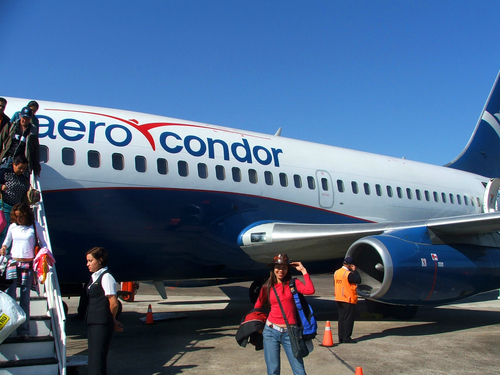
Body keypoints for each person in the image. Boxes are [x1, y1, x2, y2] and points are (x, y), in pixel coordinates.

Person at [254, 253, 315, 375]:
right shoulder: (267, 287)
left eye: (284, 267)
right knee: (273, 370)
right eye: (278, 267)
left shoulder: (293, 283)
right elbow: (257, 307)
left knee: (299, 371)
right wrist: (259, 327)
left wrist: (304, 271)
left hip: (291, 333)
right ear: (273, 269)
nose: (280, 270)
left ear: (288, 269)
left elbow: (310, 290)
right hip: (271, 331)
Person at [0, 202, 47, 338]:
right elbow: (6, 242)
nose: (19, 219)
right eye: (16, 216)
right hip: (13, 263)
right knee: (10, 297)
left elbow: (43, 242)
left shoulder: (34, 226)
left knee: (25, 299)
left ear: (26, 215)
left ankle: (23, 330)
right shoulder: (13, 227)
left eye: (21, 216)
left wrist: (44, 254)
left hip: (28, 264)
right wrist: (3, 248)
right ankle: (8, 327)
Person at [85, 247, 123, 375]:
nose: (88, 264)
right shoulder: (94, 277)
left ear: (100, 260)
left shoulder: (106, 277)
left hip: (101, 323)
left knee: (98, 358)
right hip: (93, 321)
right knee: (93, 356)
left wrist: (111, 320)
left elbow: (113, 303)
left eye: (90, 261)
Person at [0, 106, 41, 176]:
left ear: (30, 119)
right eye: (23, 118)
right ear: (20, 116)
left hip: (23, 164)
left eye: (27, 119)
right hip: (8, 160)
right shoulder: (10, 126)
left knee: (20, 186)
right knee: (3, 184)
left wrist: (36, 168)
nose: (25, 121)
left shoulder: (32, 132)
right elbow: (1, 141)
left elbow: (35, 151)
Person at [0, 155, 30, 240]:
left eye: (24, 169)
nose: (22, 170)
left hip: (16, 209)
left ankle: (6, 251)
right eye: (20, 168)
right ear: (14, 164)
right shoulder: (5, 172)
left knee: (11, 230)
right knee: (3, 229)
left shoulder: (23, 178)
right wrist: (1, 186)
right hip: (4, 206)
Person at [334, 256, 361, 344]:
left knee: (341, 319)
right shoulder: (348, 274)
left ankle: (341, 337)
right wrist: (355, 271)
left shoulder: (337, 272)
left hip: (339, 298)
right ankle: (346, 338)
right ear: (350, 265)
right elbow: (358, 280)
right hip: (348, 298)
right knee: (348, 320)